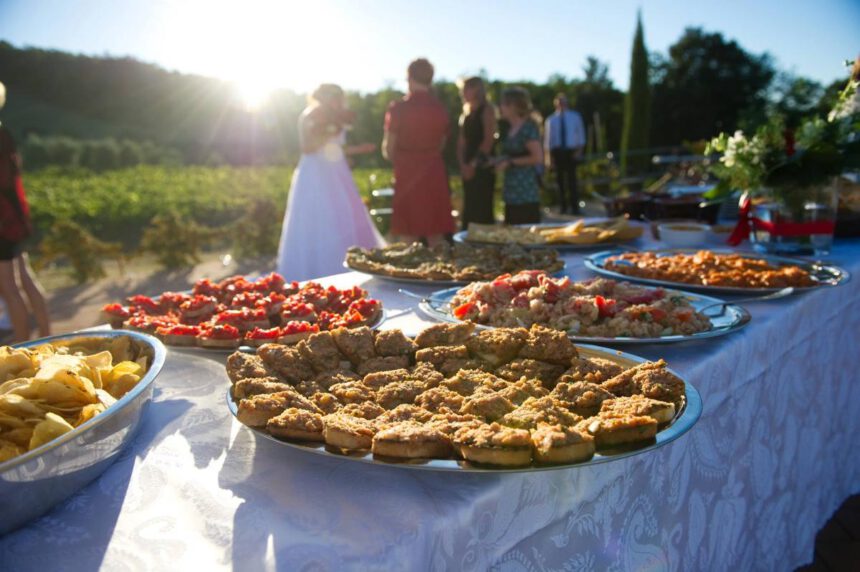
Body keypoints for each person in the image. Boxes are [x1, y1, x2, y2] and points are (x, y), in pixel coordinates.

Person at [276, 84, 384, 281]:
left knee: (345, 214)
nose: (339, 102)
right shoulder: (311, 115)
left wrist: (359, 149)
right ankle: (323, 270)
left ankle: (357, 264)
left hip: (337, 172)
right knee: (322, 217)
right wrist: (333, 127)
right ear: (326, 97)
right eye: (336, 98)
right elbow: (308, 147)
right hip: (316, 174)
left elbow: (333, 149)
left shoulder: (334, 116)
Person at [383, 58, 455, 245]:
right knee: (436, 234)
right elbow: (442, 143)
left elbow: (388, 149)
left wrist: (403, 159)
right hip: (434, 172)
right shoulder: (440, 109)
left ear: (409, 78)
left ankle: (408, 273)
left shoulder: (398, 108)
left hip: (407, 173)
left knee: (408, 235)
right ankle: (444, 272)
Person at [0, 81, 51, 342]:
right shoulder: (4, 133)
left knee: (8, 287)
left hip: (2, 222)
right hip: (16, 217)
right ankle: (44, 335)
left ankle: (23, 346)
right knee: (25, 278)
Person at [495, 87, 543, 225]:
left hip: (525, 194)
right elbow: (514, 154)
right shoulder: (510, 129)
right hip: (512, 194)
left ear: (514, 106)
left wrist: (510, 163)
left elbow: (538, 157)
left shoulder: (528, 128)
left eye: (504, 104)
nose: (500, 107)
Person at [457, 76, 497, 229]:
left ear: (476, 89)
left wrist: (473, 165)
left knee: (482, 207)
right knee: (469, 206)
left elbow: (488, 140)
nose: (463, 92)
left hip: (482, 167)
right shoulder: (466, 114)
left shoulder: (487, 110)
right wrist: (463, 165)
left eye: (466, 88)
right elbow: (461, 143)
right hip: (468, 166)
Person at [544, 93, 586, 214]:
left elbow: (581, 135)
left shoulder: (575, 117)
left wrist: (579, 151)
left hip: (571, 151)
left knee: (572, 181)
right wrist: (549, 157)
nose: (562, 104)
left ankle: (575, 207)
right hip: (558, 152)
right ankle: (563, 207)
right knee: (560, 182)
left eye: (564, 102)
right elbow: (548, 140)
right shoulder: (551, 119)